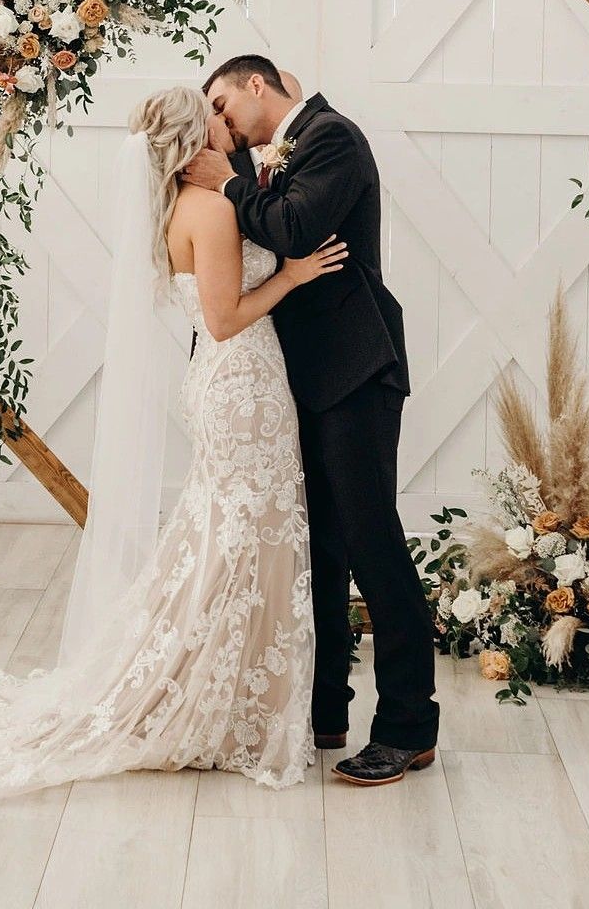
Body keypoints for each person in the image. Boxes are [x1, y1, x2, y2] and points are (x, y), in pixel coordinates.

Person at [0, 87, 348, 815]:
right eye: (213, 116)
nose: (224, 122)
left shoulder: (178, 207)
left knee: (226, 540)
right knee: (242, 541)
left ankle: (224, 693)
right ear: (192, 135)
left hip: (226, 388)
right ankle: (220, 703)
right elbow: (228, 319)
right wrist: (293, 274)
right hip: (243, 384)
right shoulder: (214, 208)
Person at [182, 55, 440, 786]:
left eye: (226, 104)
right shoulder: (262, 155)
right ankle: (325, 709)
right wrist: (225, 166)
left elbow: (295, 230)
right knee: (317, 548)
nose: (225, 123)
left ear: (257, 84)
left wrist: (230, 183)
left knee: (370, 542)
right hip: (299, 379)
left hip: (356, 371)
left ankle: (408, 726)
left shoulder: (332, 136)